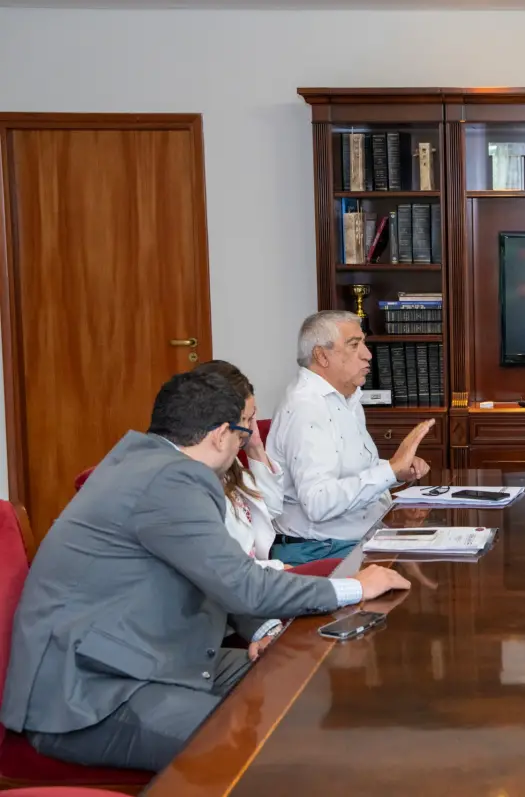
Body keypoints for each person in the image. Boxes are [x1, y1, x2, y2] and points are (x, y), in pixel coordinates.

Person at [1, 370, 411, 772]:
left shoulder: (145, 460)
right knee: (272, 746)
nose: (245, 444)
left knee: (305, 679)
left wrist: (266, 630)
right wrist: (353, 587)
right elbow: (242, 585)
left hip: (151, 658)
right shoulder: (172, 480)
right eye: (243, 431)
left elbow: (215, 573)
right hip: (91, 694)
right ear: (219, 434)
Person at [268, 310, 435, 565]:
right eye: (354, 345)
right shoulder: (307, 408)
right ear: (322, 355)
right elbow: (319, 502)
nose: (368, 354)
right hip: (322, 552)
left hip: (360, 537)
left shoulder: (347, 397)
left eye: (364, 343)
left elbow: (348, 470)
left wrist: (396, 471)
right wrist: (389, 470)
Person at [193, 360, 289, 570]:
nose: (248, 428)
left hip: (256, 575)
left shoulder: (231, 460)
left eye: (251, 418)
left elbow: (271, 508)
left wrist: (255, 447)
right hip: (246, 582)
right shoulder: (204, 470)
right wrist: (282, 570)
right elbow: (225, 568)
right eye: (244, 419)